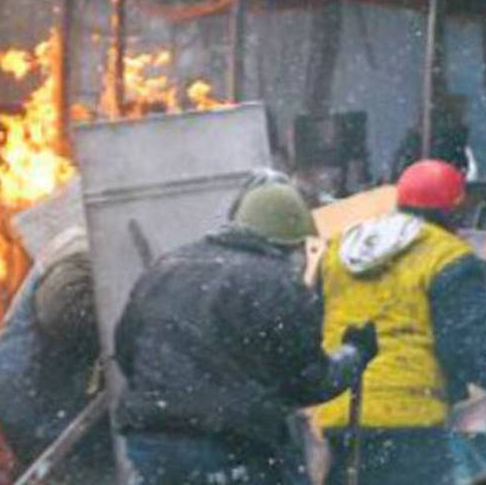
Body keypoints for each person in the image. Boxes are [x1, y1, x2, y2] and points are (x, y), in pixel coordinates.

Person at [114, 182, 379, 485]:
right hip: (232, 444)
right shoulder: (281, 286)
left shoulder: (167, 267)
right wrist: (355, 354)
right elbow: (307, 384)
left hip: (152, 441)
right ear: (291, 243)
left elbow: (125, 353)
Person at [318, 159, 486, 485]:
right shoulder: (447, 256)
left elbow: (314, 323)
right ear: (453, 211)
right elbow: (465, 349)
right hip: (410, 422)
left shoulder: (340, 250)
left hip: (343, 412)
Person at [0, 226, 112, 484]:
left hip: (34, 404)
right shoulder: (82, 249)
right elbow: (61, 311)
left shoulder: (85, 246)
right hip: (38, 408)